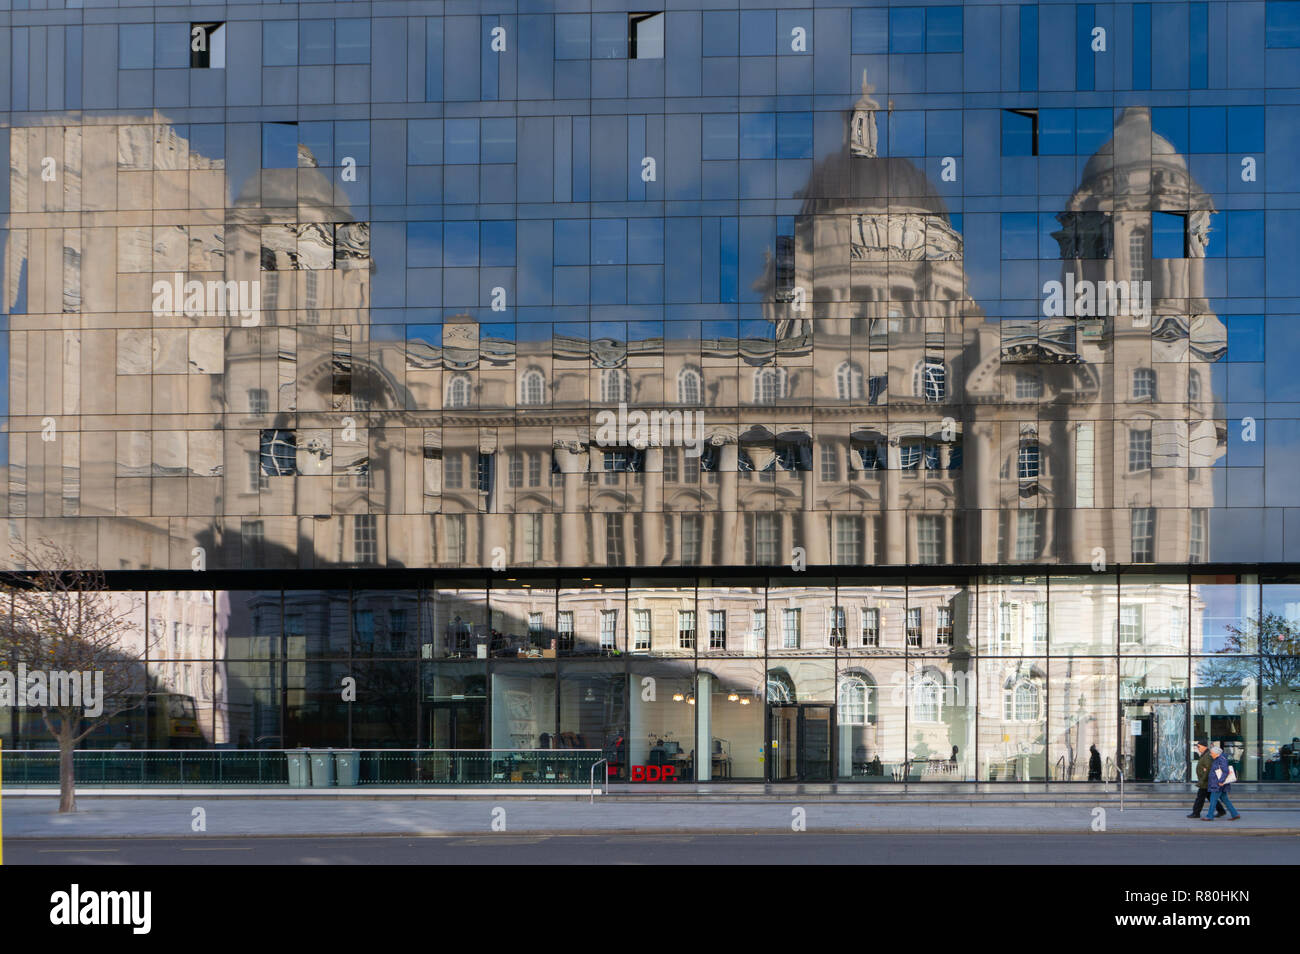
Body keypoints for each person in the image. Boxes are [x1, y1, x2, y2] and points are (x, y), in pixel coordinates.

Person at [1188, 739, 1225, 818]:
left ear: (1204, 746)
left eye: (1199, 746)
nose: (1198, 748)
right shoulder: (1205, 754)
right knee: (1209, 796)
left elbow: (1208, 768)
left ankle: (1196, 813)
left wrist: (1202, 780)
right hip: (1206, 780)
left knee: (1200, 797)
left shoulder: (1207, 755)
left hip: (1206, 781)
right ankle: (1221, 810)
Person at [1204, 745, 1242, 821]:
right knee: (1225, 800)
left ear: (1216, 753)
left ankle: (1209, 816)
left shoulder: (1221, 759)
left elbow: (1225, 771)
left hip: (1218, 784)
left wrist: (1221, 781)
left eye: (1211, 753)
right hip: (1218, 783)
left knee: (1213, 800)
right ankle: (1235, 814)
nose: (1210, 754)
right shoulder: (1218, 759)